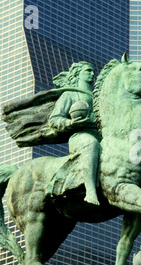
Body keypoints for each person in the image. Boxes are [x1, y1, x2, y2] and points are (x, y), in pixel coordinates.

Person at [47, 62, 102, 205]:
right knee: (91, 144)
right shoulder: (70, 94)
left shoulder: (99, 97)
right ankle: (90, 191)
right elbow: (54, 119)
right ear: (78, 74)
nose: (92, 74)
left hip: (101, 136)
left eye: (93, 71)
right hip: (80, 137)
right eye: (88, 71)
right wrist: (71, 123)